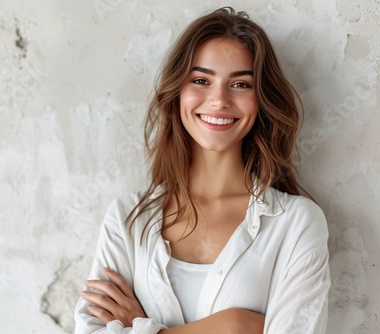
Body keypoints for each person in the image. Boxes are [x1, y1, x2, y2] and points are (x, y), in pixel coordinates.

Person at [74, 7, 330, 334]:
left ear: (262, 99)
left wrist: (144, 329)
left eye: (240, 84)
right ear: (178, 92)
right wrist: (236, 326)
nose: (219, 99)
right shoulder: (127, 219)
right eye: (201, 80)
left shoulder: (297, 223)